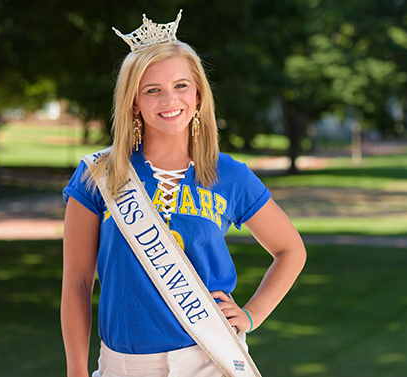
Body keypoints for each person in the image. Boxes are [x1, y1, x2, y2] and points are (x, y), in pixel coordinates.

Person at [61, 10, 306, 377]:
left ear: (198, 94)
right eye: (152, 90)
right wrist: (76, 371)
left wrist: (251, 315)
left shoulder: (230, 175)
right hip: (124, 367)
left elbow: (291, 251)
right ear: (134, 101)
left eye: (181, 86)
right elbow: (77, 283)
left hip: (209, 360)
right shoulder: (99, 174)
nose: (169, 100)